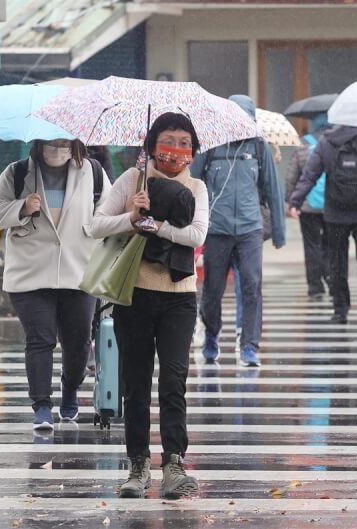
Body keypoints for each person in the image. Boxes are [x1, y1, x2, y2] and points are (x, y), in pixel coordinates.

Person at [89, 113, 208, 499]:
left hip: (179, 298)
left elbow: (196, 235)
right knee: (136, 383)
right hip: (135, 294)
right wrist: (133, 215)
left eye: (184, 142)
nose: (176, 149)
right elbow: (96, 225)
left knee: (174, 381)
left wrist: (157, 227)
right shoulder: (130, 181)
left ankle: (174, 463)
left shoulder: (197, 186)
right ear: (152, 144)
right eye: (168, 140)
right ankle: (137, 465)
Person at [0, 139, 112, 431]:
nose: (58, 149)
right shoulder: (16, 173)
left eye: (64, 143)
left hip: (79, 271)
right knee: (40, 339)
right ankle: (41, 406)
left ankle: (70, 392)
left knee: (78, 342)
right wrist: (21, 207)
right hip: (30, 273)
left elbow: (108, 212)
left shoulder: (92, 173)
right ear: (38, 144)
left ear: (75, 143)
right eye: (51, 143)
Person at [190, 95, 286, 367]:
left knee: (252, 285)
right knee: (213, 289)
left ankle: (250, 346)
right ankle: (211, 334)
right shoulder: (210, 145)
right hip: (217, 229)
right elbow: (192, 183)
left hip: (249, 229)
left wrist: (278, 232)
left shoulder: (258, 147)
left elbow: (273, 190)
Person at [288, 125, 357, 324]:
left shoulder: (326, 142)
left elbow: (310, 174)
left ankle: (340, 309)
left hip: (335, 212)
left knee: (337, 261)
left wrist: (296, 200)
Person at [286, 113, 332, 301]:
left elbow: (292, 176)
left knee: (311, 246)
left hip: (308, 205)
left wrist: (291, 201)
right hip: (332, 205)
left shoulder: (304, 143)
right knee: (331, 245)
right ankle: (330, 277)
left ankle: (315, 287)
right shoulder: (334, 142)